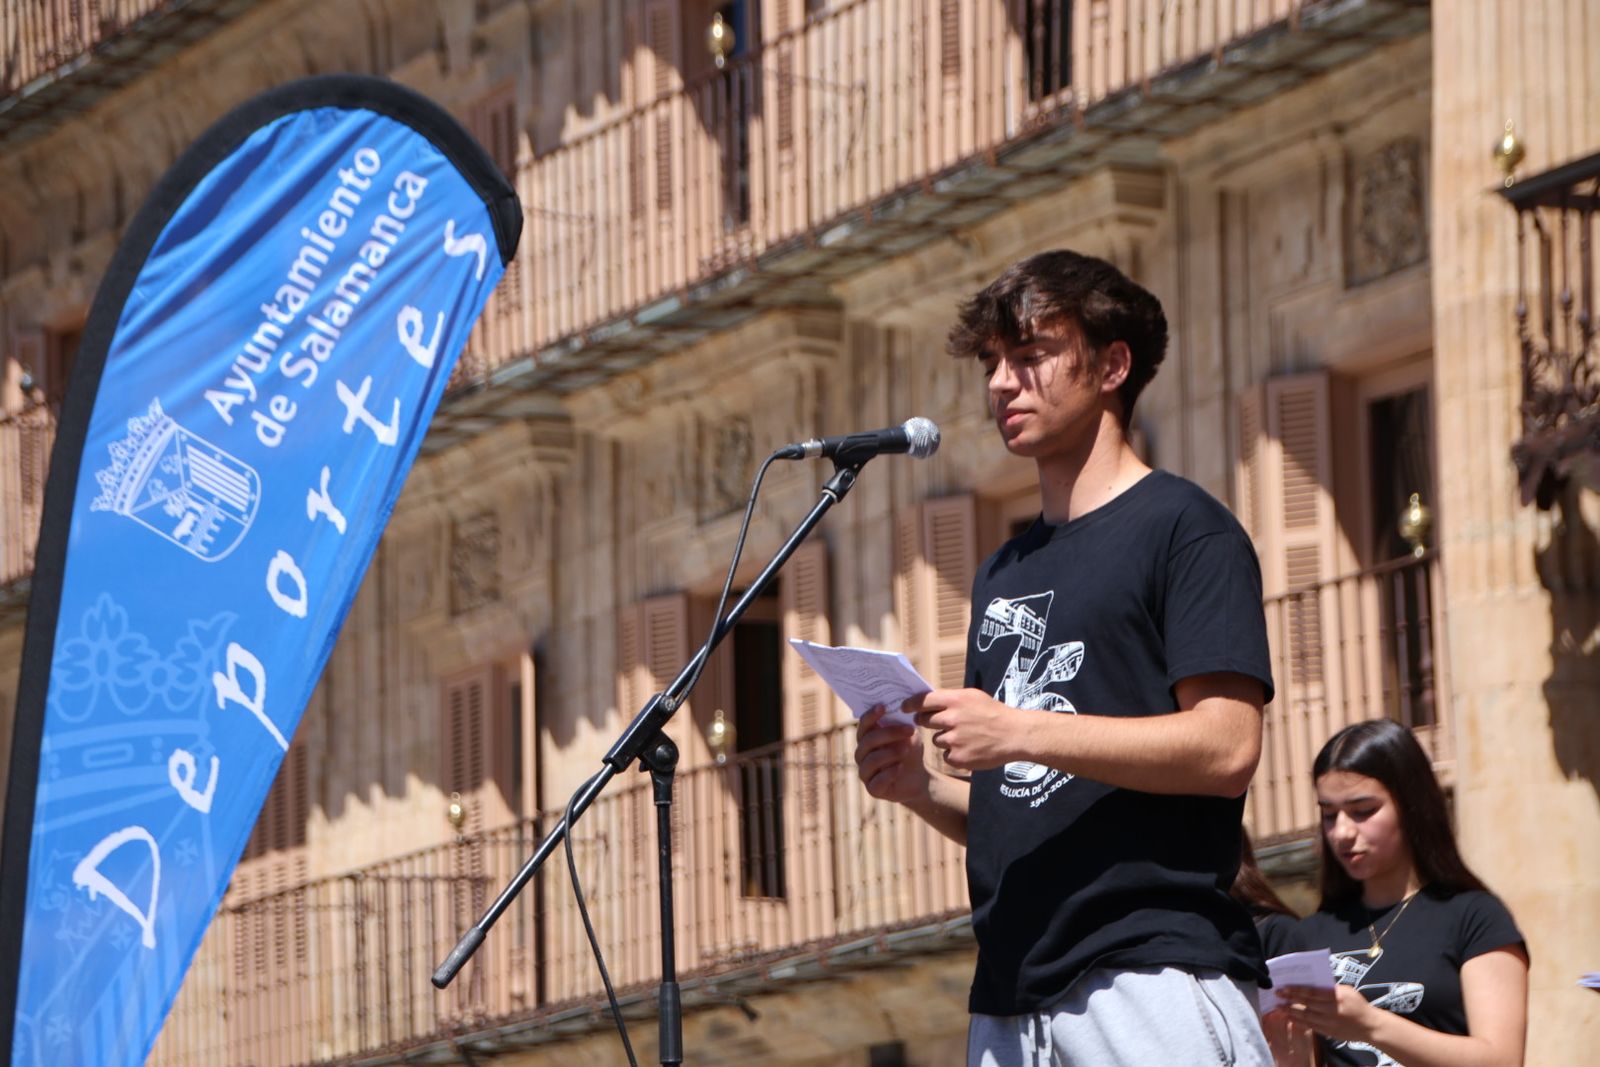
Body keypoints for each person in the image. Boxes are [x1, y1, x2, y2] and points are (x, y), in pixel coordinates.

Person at [853, 249, 1276, 1065]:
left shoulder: (1188, 529)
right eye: (992, 362)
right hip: (1009, 1000)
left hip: (1148, 975)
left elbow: (1228, 746)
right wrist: (918, 787)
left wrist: (1017, 730)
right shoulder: (1003, 570)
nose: (1002, 384)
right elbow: (1028, 808)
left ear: (1113, 364)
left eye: (1031, 354)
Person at [1272, 719, 1528, 1067]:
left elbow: (1502, 1060)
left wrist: (1370, 1024)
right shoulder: (1308, 935)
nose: (1343, 832)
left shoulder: (1474, 917)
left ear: (1411, 806)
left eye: (1363, 811)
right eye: (1330, 815)